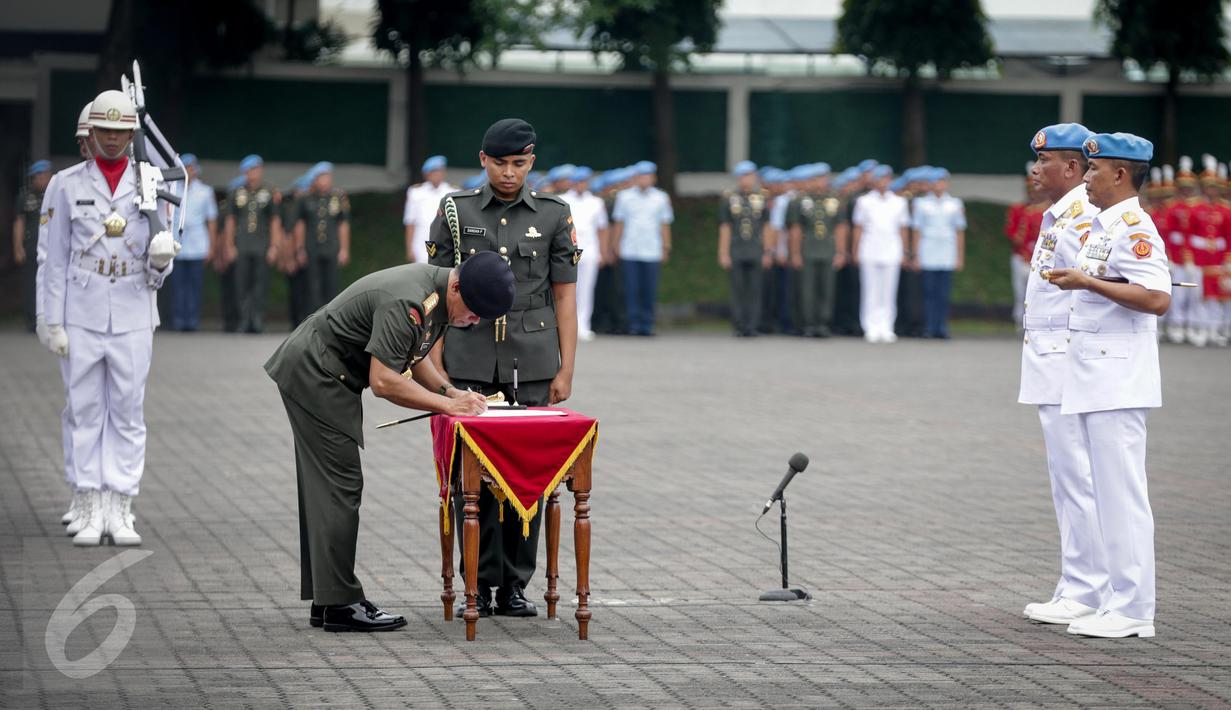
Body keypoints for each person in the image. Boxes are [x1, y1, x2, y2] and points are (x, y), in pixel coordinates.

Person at [265, 253, 511, 631]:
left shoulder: (438, 296)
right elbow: (384, 380)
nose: (473, 321)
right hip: (317, 373)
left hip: (327, 372)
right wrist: (448, 405)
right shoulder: (410, 301)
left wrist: (450, 390)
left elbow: (414, 354)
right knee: (339, 487)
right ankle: (340, 605)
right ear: (457, 286)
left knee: (326, 489)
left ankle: (327, 600)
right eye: (474, 313)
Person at [428, 117, 581, 618]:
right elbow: (437, 291)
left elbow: (564, 296)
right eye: (500, 163)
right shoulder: (455, 211)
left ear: (531, 162)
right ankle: (478, 579)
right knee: (471, 478)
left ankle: (514, 584)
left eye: (519, 163)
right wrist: (436, 369)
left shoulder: (556, 215)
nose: (509, 173)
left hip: (531, 360)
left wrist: (565, 369)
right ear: (483, 160)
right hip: (468, 357)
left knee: (528, 477)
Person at [42, 89, 180, 546]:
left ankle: (121, 502)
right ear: (92, 133)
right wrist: (51, 320)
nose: (114, 139)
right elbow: (55, 260)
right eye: (105, 131)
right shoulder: (66, 184)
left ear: (131, 133)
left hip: (133, 308)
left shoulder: (150, 181)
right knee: (84, 410)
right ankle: (87, 499)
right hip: (81, 308)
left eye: (122, 132)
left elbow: (160, 258)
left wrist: (162, 261)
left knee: (126, 410)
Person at [1046, 132, 1170, 639]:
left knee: (1122, 495)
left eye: (1094, 171)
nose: (1087, 178)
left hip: (1119, 376)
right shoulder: (1102, 225)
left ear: (1121, 175)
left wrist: (1089, 283)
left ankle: (1136, 608)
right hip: (1096, 374)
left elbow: (1158, 297)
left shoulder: (1135, 226)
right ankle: (1117, 598)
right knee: (1106, 492)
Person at [1017, 123, 1105, 628]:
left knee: (1078, 480)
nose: (1035, 169)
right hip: (1051, 361)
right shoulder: (1061, 216)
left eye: (1044, 161)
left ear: (1071, 168)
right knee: (1068, 480)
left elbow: (1096, 290)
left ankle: (1086, 588)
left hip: (1067, 362)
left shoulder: (1082, 219)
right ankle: (1080, 582)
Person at [612, 160, 673, 336]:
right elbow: (619, 223)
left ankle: (647, 324)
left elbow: (664, 224)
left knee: (649, 289)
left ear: (653, 178)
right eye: (641, 176)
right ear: (636, 178)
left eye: (648, 176)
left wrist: (666, 246)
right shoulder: (624, 197)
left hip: (652, 249)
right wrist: (615, 244)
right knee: (631, 288)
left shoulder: (661, 198)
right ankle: (633, 324)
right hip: (629, 248)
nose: (645, 180)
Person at [851, 165, 910, 343]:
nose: (883, 182)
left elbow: (903, 229)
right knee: (870, 289)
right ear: (874, 181)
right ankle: (870, 326)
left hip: (892, 248)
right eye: (879, 179)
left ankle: (887, 326)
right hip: (869, 247)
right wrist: (855, 250)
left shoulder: (899, 202)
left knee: (888, 290)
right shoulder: (864, 201)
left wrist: (906, 251)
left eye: (886, 178)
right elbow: (858, 228)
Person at [224, 154, 280, 333]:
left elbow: (275, 221)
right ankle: (243, 319)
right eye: (249, 170)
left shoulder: (269, 192)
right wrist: (229, 245)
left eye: (256, 169)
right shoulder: (237, 192)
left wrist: (274, 246)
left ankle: (257, 319)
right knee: (240, 284)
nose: (252, 173)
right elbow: (230, 220)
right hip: (242, 244)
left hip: (262, 245)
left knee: (260, 284)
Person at [719, 160, 773, 337]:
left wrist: (767, 251)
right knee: (738, 289)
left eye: (749, 176)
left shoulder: (763, 197)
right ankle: (739, 324)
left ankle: (752, 324)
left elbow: (766, 226)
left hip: (756, 248)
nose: (746, 180)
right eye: (743, 176)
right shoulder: (729, 198)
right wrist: (723, 252)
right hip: (737, 248)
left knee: (755, 289)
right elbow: (725, 227)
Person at [912, 168, 967, 339]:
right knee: (928, 292)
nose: (939, 185)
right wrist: (915, 255)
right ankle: (929, 326)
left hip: (946, 252)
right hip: (927, 251)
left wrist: (959, 256)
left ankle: (941, 326)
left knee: (943, 293)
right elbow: (916, 230)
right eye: (936, 182)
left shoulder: (955, 204)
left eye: (942, 181)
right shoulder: (921, 204)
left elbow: (959, 231)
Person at [788, 163, 841, 338]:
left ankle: (823, 323)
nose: (821, 182)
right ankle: (809, 323)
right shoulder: (800, 202)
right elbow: (795, 230)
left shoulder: (834, 200)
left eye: (824, 178)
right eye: (817, 178)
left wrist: (840, 252)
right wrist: (795, 253)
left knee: (826, 289)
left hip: (828, 250)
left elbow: (840, 228)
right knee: (807, 290)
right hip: (808, 250)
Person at [167, 154, 218, 331]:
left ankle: (192, 320)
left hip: (197, 243)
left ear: (196, 170)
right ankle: (179, 319)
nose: (188, 171)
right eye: (185, 167)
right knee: (177, 285)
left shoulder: (206, 191)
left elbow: (211, 220)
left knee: (195, 285)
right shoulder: (172, 188)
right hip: (176, 242)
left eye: (191, 168)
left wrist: (212, 246)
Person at [295, 162, 351, 314]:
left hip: (331, 246)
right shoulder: (305, 199)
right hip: (312, 247)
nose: (325, 181)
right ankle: (313, 318)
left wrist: (344, 249)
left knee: (332, 284)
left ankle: (331, 317)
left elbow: (343, 224)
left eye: (327, 177)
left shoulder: (338, 197)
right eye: (321, 177)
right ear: (314, 179)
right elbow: (300, 225)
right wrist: (300, 248)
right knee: (312, 285)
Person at [561, 166, 608, 341]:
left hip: (589, 249)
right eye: (578, 181)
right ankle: (568, 324)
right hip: (570, 249)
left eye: (584, 181)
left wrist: (603, 252)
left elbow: (602, 229)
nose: (581, 185)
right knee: (569, 287)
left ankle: (584, 325)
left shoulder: (596, 202)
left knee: (587, 289)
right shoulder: (563, 200)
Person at [14, 160, 52, 331]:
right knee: (31, 284)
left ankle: (50, 318)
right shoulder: (25, 196)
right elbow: (19, 222)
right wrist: (17, 247)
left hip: (52, 247)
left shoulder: (55, 194)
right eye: (38, 176)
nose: (41, 179)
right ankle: (32, 320)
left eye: (44, 175)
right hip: (31, 246)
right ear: (33, 178)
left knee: (51, 282)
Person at [404, 155, 456, 263]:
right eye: (433, 172)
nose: (437, 175)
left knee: (441, 271)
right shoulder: (416, 192)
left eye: (439, 171)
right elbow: (410, 222)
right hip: (422, 242)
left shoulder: (452, 192)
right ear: (426, 174)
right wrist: (409, 249)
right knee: (424, 271)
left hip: (444, 241)